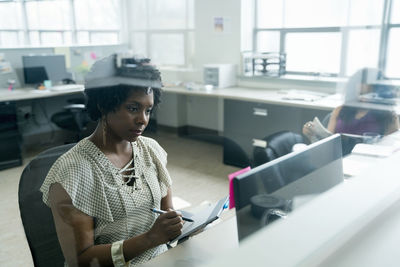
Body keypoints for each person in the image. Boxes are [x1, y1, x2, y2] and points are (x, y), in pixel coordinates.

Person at [40, 54, 184, 266]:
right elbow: (79, 260)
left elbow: (166, 213)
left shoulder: (151, 150)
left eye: (148, 110)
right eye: (133, 108)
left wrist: (172, 225)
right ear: (103, 104)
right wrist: (150, 239)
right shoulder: (72, 171)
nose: (143, 119)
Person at [303, 68, 399, 143]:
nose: (363, 99)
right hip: (339, 159)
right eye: (360, 94)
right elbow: (327, 143)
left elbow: (390, 150)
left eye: (369, 94)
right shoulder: (340, 110)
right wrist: (311, 134)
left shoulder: (389, 117)